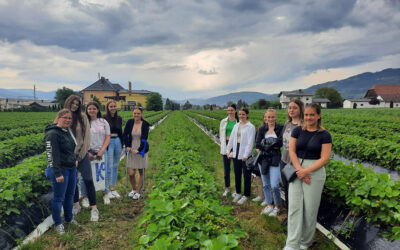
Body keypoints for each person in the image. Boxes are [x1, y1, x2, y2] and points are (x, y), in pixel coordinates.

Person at [284, 103, 332, 250]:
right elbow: (291, 151)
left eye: (312, 115)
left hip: (315, 172)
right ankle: (292, 243)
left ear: (319, 116)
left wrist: (306, 171)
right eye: (306, 115)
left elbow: (324, 158)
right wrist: (300, 170)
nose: (309, 117)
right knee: (294, 207)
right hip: (298, 168)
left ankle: (305, 242)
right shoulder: (297, 131)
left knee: (310, 209)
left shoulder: (324, 135)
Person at [64, 95, 99, 222]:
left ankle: (94, 208)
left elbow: (86, 138)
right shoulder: (63, 116)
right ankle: (76, 205)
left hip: (82, 155)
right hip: (68, 157)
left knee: (88, 179)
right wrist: (70, 157)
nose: (74, 106)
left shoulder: (83, 117)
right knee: (72, 182)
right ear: (67, 103)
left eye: (77, 104)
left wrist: (79, 156)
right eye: (72, 103)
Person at [44, 109, 77, 235]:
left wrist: (74, 160)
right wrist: (57, 173)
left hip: (71, 168)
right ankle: (58, 224)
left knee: (70, 195)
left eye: (70, 118)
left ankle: (69, 219)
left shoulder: (67, 131)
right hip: (60, 170)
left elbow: (70, 150)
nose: (68, 120)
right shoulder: (52, 134)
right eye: (65, 118)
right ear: (58, 118)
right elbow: (51, 155)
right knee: (59, 198)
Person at [255, 108, 283, 216]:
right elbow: (258, 146)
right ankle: (269, 204)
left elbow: (280, 143)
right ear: (265, 118)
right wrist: (272, 144)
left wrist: (265, 144)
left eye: (272, 117)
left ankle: (277, 206)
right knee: (266, 184)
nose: (270, 119)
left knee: (275, 185)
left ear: (276, 117)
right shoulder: (262, 129)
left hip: (275, 159)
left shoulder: (280, 128)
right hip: (263, 159)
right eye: (268, 117)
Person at [226, 108, 256, 205]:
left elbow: (250, 142)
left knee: (246, 175)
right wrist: (228, 150)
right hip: (236, 150)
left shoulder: (250, 127)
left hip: (245, 152)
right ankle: (238, 192)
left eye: (243, 114)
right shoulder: (236, 125)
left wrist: (246, 155)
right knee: (237, 173)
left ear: (247, 115)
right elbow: (231, 139)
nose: (241, 116)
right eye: (240, 114)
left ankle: (246, 195)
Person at [280, 99, 304, 212]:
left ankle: (296, 215)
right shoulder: (287, 124)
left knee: (295, 191)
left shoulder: (304, 126)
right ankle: (289, 214)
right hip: (284, 161)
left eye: (295, 108)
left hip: (296, 164)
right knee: (286, 189)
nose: (291, 110)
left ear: (300, 109)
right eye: (289, 107)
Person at [85, 102, 111, 204]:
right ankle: (85, 196)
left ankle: (105, 193)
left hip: (102, 151)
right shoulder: (85, 123)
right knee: (86, 175)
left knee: (104, 172)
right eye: (89, 109)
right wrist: (87, 152)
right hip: (89, 152)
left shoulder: (103, 122)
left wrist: (102, 150)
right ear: (86, 110)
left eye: (94, 108)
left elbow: (107, 137)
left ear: (98, 110)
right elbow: (81, 139)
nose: (92, 110)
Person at [123, 106, 150, 200]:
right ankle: (133, 189)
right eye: (135, 113)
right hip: (131, 148)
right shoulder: (130, 122)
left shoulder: (145, 124)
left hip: (141, 149)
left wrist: (139, 149)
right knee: (131, 172)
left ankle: (138, 191)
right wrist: (127, 146)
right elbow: (125, 135)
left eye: (138, 113)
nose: (136, 115)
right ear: (133, 114)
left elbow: (144, 138)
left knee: (141, 171)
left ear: (141, 114)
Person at [103, 100, 123, 199]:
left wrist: (122, 143)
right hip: (109, 142)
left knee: (115, 165)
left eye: (114, 106)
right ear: (108, 107)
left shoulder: (119, 118)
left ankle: (113, 189)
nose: (113, 108)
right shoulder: (103, 118)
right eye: (111, 106)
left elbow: (121, 132)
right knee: (109, 166)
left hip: (117, 141)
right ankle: (106, 190)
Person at [219, 104, 238, 197]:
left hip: (236, 146)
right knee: (226, 168)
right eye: (228, 110)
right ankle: (227, 188)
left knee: (236, 168)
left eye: (232, 110)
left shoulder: (238, 122)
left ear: (235, 111)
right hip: (226, 145)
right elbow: (221, 135)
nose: (230, 112)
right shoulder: (223, 121)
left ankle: (237, 190)